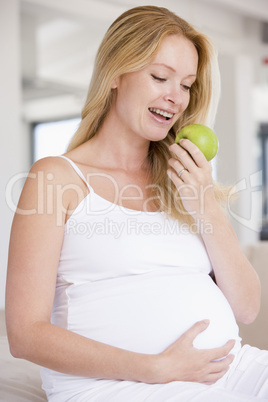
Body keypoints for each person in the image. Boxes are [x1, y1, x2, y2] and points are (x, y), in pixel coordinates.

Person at [5, 5, 268, 401]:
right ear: (115, 73)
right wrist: (155, 368)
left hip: (233, 370)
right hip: (121, 385)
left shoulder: (183, 181)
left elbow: (247, 309)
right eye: (160, 77)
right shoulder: (57, 178)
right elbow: (25, 335)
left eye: (186, 85)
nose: (175, 98)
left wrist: (207, 206)